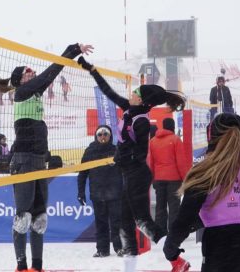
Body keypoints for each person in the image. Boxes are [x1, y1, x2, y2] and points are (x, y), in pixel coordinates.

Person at [77, 55, 185, 272]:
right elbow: (108, 92)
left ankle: (176, 259)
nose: (131, 94)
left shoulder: (142, 120)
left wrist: (120, 158)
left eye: (135, 93)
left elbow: (140, 152)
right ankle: (130, 268)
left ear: (142, 101)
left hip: (137, 173)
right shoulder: (128, 108)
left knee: (142, 220)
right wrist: (92, 69)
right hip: (129, 172)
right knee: (125, 224)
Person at [0, 42, 93, 272]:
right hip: (24, 160)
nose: (32, 72)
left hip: (38, 160)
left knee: (39, 219)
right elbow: (50, 72)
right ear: (20, 80)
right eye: (28, 71)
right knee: (23, 217)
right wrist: (72, 50)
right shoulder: (23, 92)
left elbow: (49, 76)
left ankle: (37, 267)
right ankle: (21, 266)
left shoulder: (34, 94)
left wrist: (50, 157)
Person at [163, 113, 240, 272]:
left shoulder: (205, 171)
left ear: (211, 137)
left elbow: (186, 217)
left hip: (219, 251)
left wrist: (170, 247)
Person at [77, 125, 124, 258]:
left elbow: (125, 171)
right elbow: (82, 174)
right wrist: (80, 193)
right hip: (97, 194)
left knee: (116, 222)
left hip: (115, 193)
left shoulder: (116, 151)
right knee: (101, 223)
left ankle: (119, 248)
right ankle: (102, 250)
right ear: (96, 136)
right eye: (100, 134)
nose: (103, 137)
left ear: (110, 136)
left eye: (105, 134)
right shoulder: (89, 151)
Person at [147, 117, 189, 232]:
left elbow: (151, 162)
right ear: (173, 126)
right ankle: (174, 231)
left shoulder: (153, 141)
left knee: (160, 206)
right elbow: (181, 162)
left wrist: (152, 179)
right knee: (174, 206)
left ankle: (160, 231)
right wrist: (186, 179)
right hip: (174, 179)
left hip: (158, 178)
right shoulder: (175, 140)